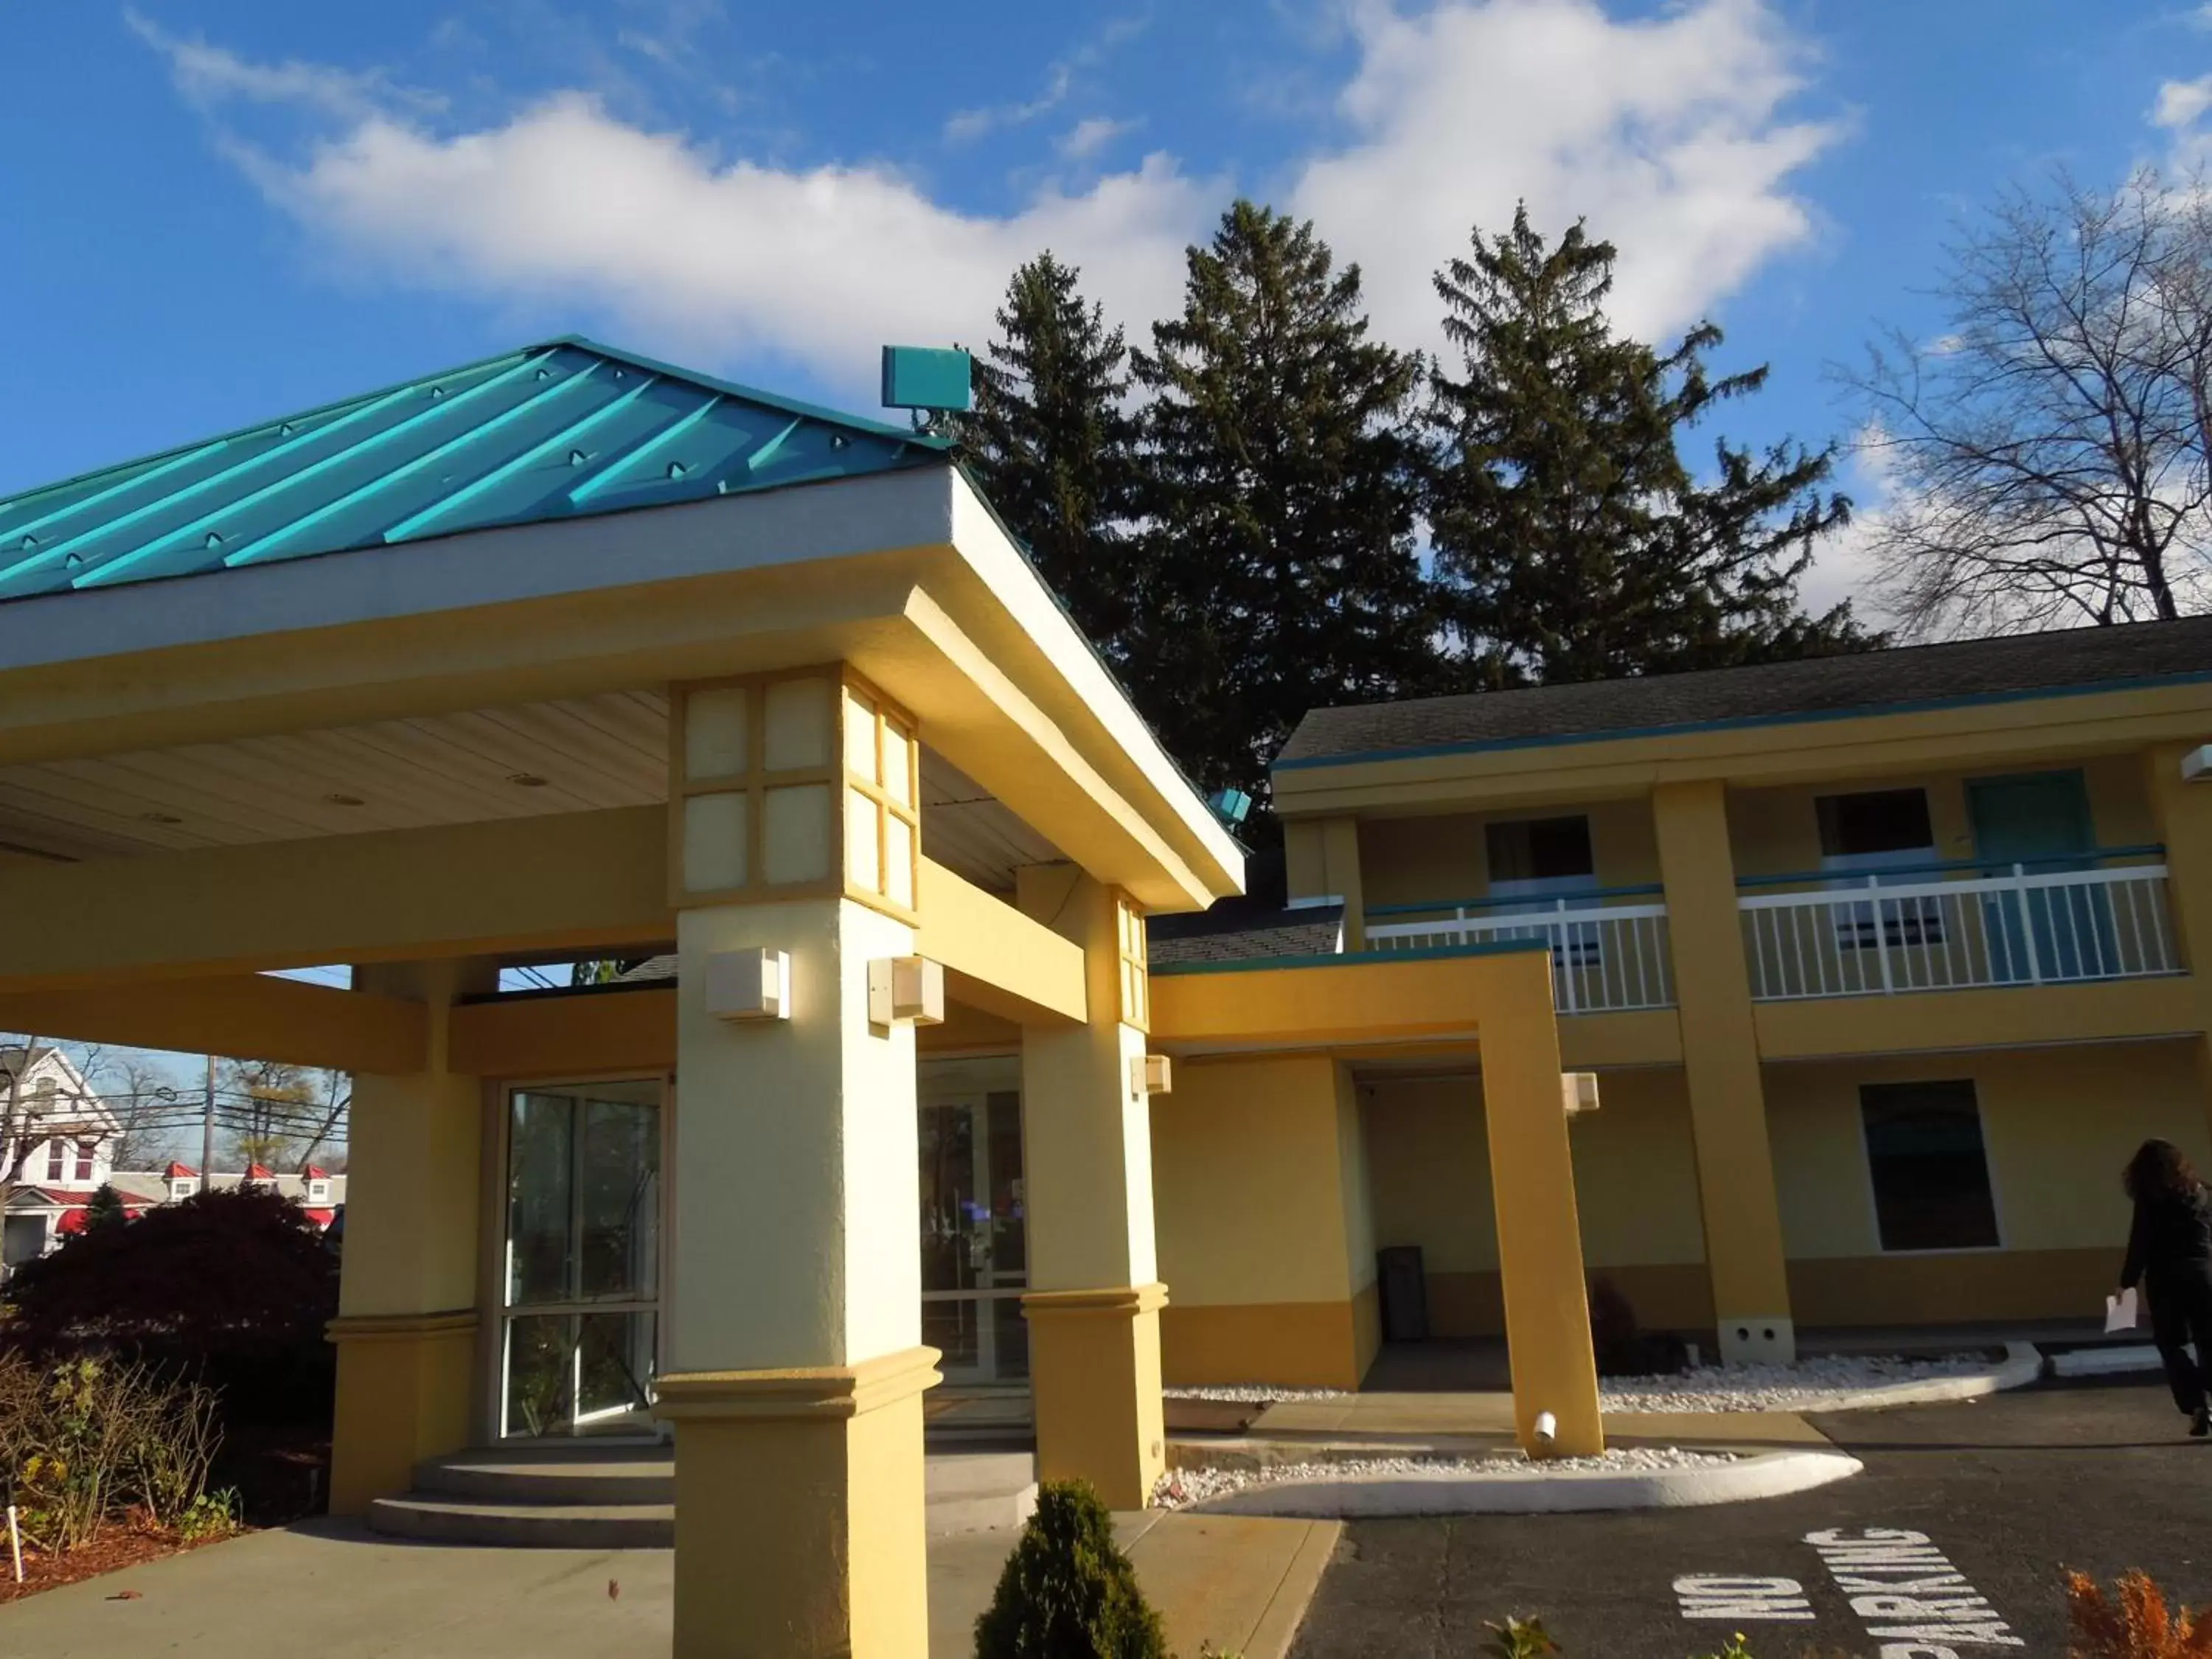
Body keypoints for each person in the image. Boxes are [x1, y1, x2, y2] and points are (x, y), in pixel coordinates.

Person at [2120, 1138, 2212, 1438]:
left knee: (2172, 1344)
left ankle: (2196, 1405)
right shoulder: (2205, 1193)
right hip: (2205, 1275)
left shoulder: (2150, 1199)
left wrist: (2127, 1283)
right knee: (2208, 1339)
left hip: (2165, 1280)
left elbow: (2140, 1243)